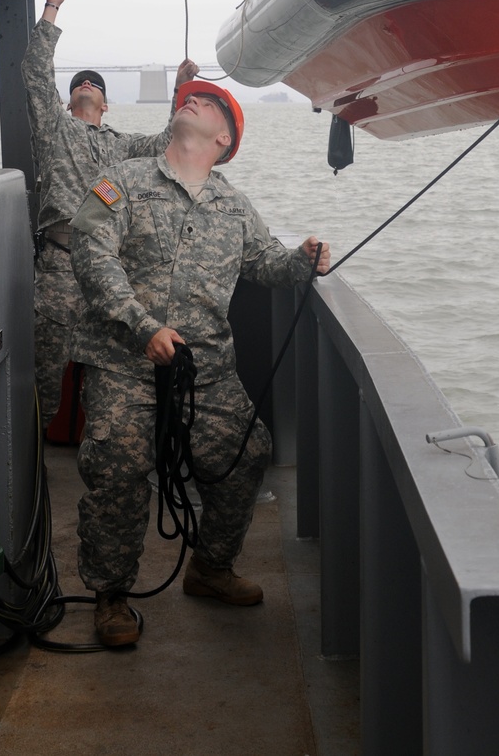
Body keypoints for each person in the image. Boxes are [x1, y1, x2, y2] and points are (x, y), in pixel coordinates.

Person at [69, 79, 331, 647]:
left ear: (223, 137)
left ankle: (210, 568)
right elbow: (90, 250)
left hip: (205, 369)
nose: (191, 99)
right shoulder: (124, 180)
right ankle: (111, 595)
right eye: (189, 95)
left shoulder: (232, 204)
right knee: (118, 464)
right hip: (123, 363)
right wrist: (143, 326)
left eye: (208, 102)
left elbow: (265, 263)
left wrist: (303, 259)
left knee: (248, 452)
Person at [21, 0, 196, 425]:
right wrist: (53, 7)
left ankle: (111, 459)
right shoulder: (54, 129)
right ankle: (32, 470)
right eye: (79, 81)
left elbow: (165, 144)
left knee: (116, 380)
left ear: (105, 103)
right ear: (67, 100)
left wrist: (180, 90)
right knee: (44, 381)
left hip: (108, 269)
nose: (86, 83)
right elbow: (35, 74)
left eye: (95, 84)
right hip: (59, 265)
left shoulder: (121, 146)